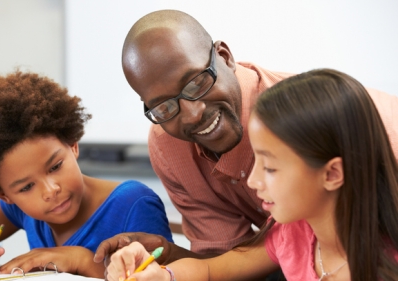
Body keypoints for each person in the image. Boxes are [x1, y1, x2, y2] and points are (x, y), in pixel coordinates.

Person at [93, 9, 398, 266]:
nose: (192, 114)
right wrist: (171, 256)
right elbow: (230, 262)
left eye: (197, 82)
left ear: (225, 57)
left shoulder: (343, 124)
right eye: (164, 106)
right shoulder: (168, 145)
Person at [105, 68, 398, 281]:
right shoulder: (295, 233)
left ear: (332, 173)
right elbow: (210, 269)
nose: (254, 181)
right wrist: (164, 276)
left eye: (270, 168)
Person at [0, 71, 173, 278]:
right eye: (26, 187)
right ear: (5, 194)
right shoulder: (17, 209)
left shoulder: (133, 203)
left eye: (55, 166)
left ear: (73, 144)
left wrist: (79, 261)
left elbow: (160, 276)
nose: (50, 191)